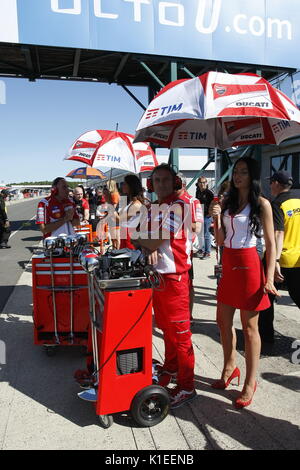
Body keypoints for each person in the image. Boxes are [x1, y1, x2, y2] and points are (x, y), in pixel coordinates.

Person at [210, 157, 279, 409]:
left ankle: (250, 382)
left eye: (243, 172)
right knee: (222, 322)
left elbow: (270, 244)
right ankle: (230, 366)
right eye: (236, 172)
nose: (238, 176)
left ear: (253, 176)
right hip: (228, 263)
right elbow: (219, 240)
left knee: (249, 328)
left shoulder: (262, 204)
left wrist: (269, 276)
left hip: (250, 265)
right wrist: (216, 218)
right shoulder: (226, 201)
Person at [131, 164, 196, 409]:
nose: (160, 184)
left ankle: (188, 386)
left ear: (176, 182)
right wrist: (147, 244)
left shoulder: (181, 206)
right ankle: (170, 368)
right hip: (158, 277)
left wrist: (148, 242)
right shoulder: (154, 206)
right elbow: (136, 234)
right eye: (156, 180)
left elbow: (153, 238)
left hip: (176, 277)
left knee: (180, 336)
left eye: (165, 180)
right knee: (166, 329)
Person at [259, 170, 300, 343]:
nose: (270, 185)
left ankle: (266, 337)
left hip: (281, 259)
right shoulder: (298, 202)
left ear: (276, 183)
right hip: (298, 259)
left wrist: (273, 261)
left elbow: (277, 234)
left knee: (265, 297)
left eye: (271, 182)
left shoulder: (276, 204)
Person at [176, 173, 203, 325]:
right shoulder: (166, 201)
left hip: (186, 249)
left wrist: (177, 221)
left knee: (188, 283)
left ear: (183, 184)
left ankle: (188, 314)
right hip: (169, 249)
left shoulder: (194, 201)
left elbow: (197, 227)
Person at [119, 174, 146, 249]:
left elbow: (120, 219)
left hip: (130, 236)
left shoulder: (136, 204)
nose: (122, 186)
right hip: (125, 234)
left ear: (131, 186)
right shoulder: (130, 201)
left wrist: (110, 203)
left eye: (124, 184)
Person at [195, 176, 214, 259]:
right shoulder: (198, 192)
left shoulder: (209, 193)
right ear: (198, 184)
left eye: (204, 182)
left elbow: (213, 204)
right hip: (200, 215)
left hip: (207, 216)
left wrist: (210, 214)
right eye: (201, 182)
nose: (202, 184)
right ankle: (202, 249)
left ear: (206, 183)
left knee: (206, 234)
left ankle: (207, 252)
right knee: (200, 234)